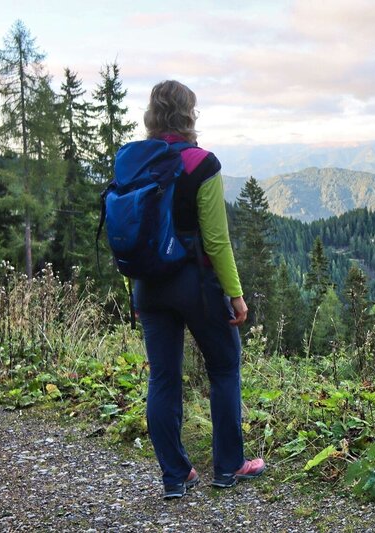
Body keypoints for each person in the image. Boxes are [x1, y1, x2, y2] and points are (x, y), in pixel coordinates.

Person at [125, 80, 265, 500]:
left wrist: (136, 291)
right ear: (189, 115)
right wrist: (236, 294)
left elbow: (129, 233)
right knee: (224, 367)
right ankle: (228, 467)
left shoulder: (133, 162)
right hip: (195, 286)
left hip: (149, 285)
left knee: (163, 378)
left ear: (152, 114)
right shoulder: (201, 163)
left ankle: (175, 476)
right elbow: (217, 241)